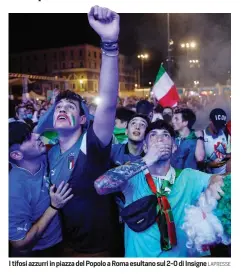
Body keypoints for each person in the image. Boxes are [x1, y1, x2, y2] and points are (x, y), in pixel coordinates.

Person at [35, 6, 121, 257]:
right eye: (58, 106)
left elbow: (107, 102)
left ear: (83, 119)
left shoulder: (92, 144)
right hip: (64, 246)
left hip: (99, 252)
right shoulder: (47, 154)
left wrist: (109, 43)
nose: (62, 109)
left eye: (70, 107)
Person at [94, 120, 224, 257]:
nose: (160, 138)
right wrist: (147, 160)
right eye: (153, 135)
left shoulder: (189, 177)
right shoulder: (133, 176)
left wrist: (215, 182)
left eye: (166, 135)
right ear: (145, 146)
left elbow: (220, 178)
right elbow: (100, 186)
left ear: (174, 147)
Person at [9, 121, 73, 257]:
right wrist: (54, 207)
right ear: (17, 155)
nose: (36, 136)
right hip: (40, 252)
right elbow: (19, 243)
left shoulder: (46, 156)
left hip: (62, 240)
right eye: (27, 138)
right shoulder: (14, 189)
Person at [203, 108, 230, 174]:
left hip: (224, 174)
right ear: (210, 120)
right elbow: (198, 161)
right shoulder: (202, 136)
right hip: (206, 176)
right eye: (216, 125)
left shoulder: (226, 134)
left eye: (220, 125)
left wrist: (221, 163)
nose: (218, 128)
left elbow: (229, 155)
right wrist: (211, 164)